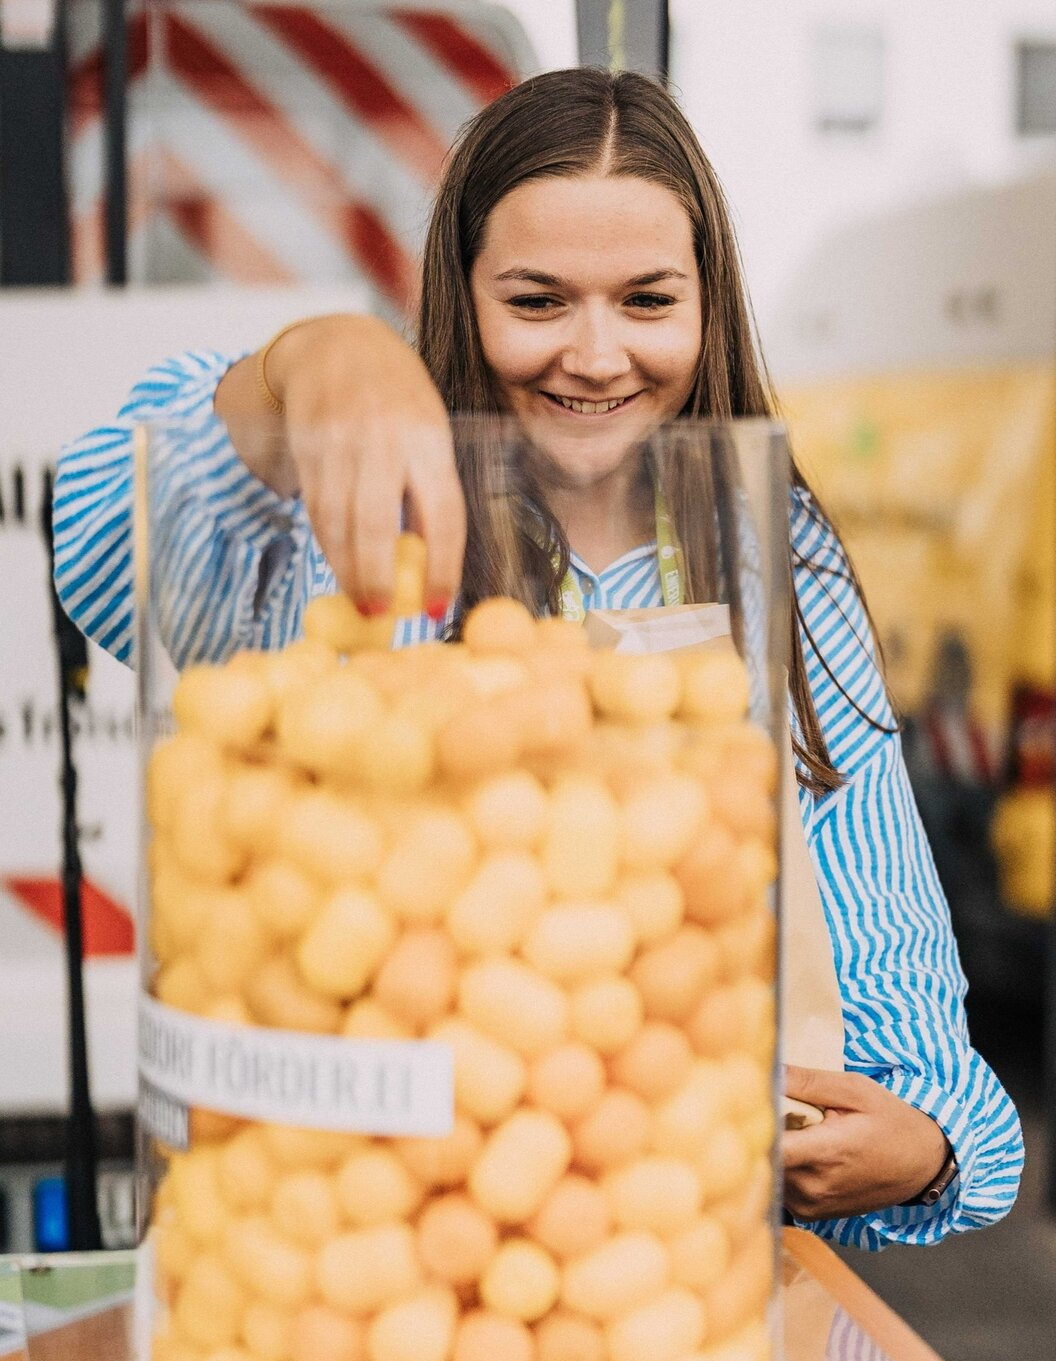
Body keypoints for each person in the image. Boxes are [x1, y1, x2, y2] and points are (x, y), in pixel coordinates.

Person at [53, 68, 1022, 1247]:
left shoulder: (780, 564)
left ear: (708, 307)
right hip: (321, 1258)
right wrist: (307, 362)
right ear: (461, 298)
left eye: (648, 301)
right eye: (539, 300)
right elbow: (105, 542)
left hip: (656, 1309)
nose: (598, 354)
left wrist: (928, 1149)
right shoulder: (342, 507)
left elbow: (899, 1024)